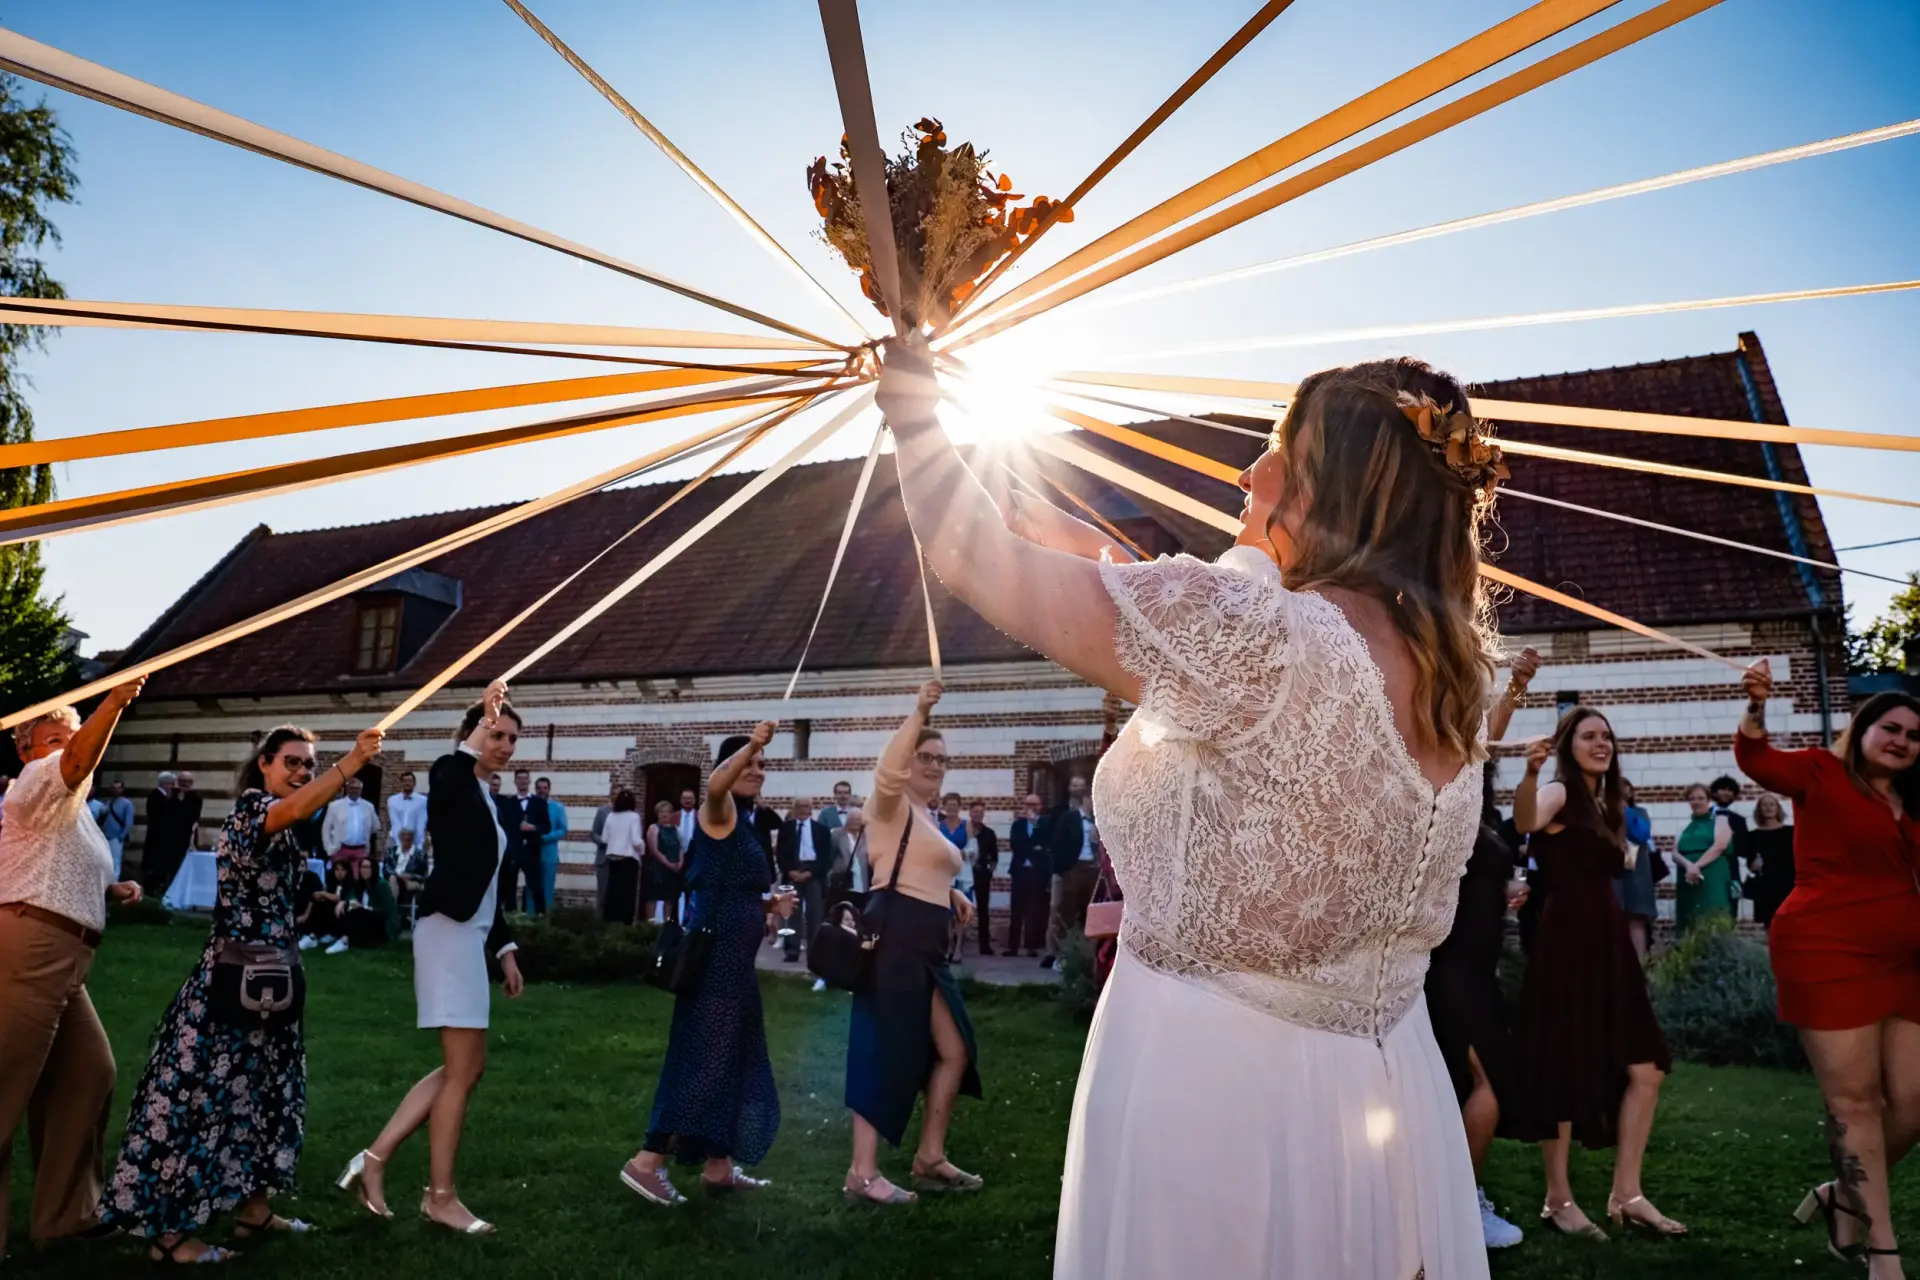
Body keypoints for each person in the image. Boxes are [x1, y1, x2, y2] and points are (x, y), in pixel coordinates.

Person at [882, 346, 1505, 1275]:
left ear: (1336, 487)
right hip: (1388, 1091)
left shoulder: (1264, 636)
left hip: (1217, 1091)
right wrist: (1102, 554)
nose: (1249, 475)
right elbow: (1223, 669)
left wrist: (915, 418)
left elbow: (970, 552)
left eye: (1280, 451)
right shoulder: (1458, 678)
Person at [103, 719, 385, 1262]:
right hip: (231, 986)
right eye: (292, 762)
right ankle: (171, 1236)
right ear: (264, 763)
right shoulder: (255, 811)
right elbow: (294, 810)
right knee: (203, 1100)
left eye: (308, 764)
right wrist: (351, 763)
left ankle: (253, 1213)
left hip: (274, 983)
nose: (302, 771)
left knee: (262, 1098)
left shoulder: (282, 821)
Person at [1737, 665, 1920, 1276]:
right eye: (1889, 727)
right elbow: (1757, 760)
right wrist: (1757, 704)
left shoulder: (1913, 806)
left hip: (1905, 963)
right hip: (1826, 952)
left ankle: (1842, 1192)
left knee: (1913, 1102)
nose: (1901, 739)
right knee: (1856, 1102)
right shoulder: (1820, 771)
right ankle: (1881, 1249)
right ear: (1863, 728)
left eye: (1914, 735)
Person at [345, 681, 525, 1235]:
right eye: (497, 734)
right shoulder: (452, 780)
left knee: (464, 1068)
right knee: (464, 1068)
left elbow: (487, 883)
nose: (505, 745)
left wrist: (506, 949)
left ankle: (373, 1161)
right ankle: (438, 1197)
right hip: (446, 935)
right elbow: (449, 774)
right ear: (473, 734)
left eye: (512, 738)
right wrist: (480, 722)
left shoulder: (488, 799)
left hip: (469, 935)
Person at [1509, 707, 1683, 1240]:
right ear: (1568, 745)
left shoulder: (1611, 803)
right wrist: (1532, 773)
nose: (1601, 743)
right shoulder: (1559, 790)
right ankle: (1557, 1199)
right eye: (1589, 735)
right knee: (1563, 1066)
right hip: (1567, 941)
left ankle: (1627, 1193)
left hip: (1608, 941)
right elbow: (1524, 821)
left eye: (1606, 736)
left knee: (1646, 1066)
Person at [0, 681, 148, 1258]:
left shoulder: (72, 811)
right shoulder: (39, 781)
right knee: (5, 1089)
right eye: (53, 739)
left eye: (68, 735)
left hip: (68, 960)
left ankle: (64, 1216)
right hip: (34, 952)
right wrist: (111, 706)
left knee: (89, 1074)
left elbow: (42, 866)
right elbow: (80, 759)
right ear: (26, 749)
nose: (66, 747)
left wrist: (110, 888)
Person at [622, 724, 796, 1204]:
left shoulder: (745, 821)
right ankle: (647, 1161)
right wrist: (753, 743)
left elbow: (728, 889)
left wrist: (768, 905)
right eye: (751, 763)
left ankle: (719, 1167)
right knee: (703, 1060)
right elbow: (716, 784)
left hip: (736, 962)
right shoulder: (717, 809)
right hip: (716, 962)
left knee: (734, 1059)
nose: (758, 770)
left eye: (762, 765)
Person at [844, 680, 983, 1204]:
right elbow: (889, 770)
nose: (933, 764)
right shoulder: (888, 804)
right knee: (885, 1051)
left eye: (941, 759)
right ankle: (861, 1174)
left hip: (927, 948)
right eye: (925, 755)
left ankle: (929, 1156)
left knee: (955, 1050)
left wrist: (950, 895)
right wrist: (920, 710)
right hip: (895, 942)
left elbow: (923, 868)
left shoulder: (925, 817)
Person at [1426, 646, 1535, 1251]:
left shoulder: (1474, 796)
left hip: (1476, 966)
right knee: (1486, 1081)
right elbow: (1482, 734)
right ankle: (1460, 1206)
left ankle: (1454, 1200)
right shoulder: (1437, 782)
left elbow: (1484, 739)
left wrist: (1509, 883)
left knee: (1472, 1084)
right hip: (1447, 968)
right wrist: (1514, 687)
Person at [1041, 775, 1096, 969]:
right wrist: (1063, 869)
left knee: (1089, 914)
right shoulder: (1069, 818)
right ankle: (1061, 955)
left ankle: (1086, 956)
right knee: (1067, 913)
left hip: (1093, 871)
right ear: (1086, 800)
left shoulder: (1097, 822)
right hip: (1073, 869)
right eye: (1093, 799)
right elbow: (1057, 844)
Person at [1673, 782, 1735, 935]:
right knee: (1690, 915)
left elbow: (1720, 845)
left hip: (1712, 874)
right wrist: (1688, 865)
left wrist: (1697, 866)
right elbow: (1675, 852)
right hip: (1687, 876)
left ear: (1709, 800)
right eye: (1692, 798)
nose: (1696, 802)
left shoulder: (1720, 820)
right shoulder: (1684, 825)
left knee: (1712, 914)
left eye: (1701, 798)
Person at [778, 797, 832, 964]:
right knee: (791, 914)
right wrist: (790, 871)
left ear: (811, 808)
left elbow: (825, 857)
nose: (803, 809)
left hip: (813, 873)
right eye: (799, 806)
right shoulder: (786, 828)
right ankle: (792, 951)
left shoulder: (821, 830)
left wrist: (810, 873)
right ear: (794, 808)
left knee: (815, 915)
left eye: (806, 806)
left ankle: (814, 953)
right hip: (792, 871)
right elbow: (780, 853)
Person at [1616, 779, 1658, 962]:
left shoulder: (1640, 813)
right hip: (1612, 875)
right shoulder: (1600, 814)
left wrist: (1624, 810)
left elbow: (1641, 834)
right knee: (1613, 921)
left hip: (1636, 875)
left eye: (1625, 792)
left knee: (1636, 920)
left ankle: (1640, 966)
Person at [496, 768, 547, 915]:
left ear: (529, 781)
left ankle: (540, 915)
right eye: (520, 778)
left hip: (532, 850)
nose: (523, 781)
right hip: (514, 850)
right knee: (510, 885)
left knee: (536, 885)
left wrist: (534, 827)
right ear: (515, 781)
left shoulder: (539, 802)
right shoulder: (508, 803)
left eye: (525, 778)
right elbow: (503, 825)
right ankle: (511, 916)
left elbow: (546, 826)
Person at [1004, 794, 1050, 958]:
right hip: (1020, 871)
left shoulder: (1045, 823)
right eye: (1028, 804)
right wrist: (1034, 847)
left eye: (1034, 804)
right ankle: (1013, 947)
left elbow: (1045, 839)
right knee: (1016, 910)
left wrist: (1034, 824)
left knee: (1034, 909)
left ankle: (1031, 946)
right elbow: (1015, 844)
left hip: (1037, 871)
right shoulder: (1017, 824)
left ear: (1040, 806)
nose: (1031, 806)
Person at [1745, 791, 1796, 929]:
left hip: (1788, 884)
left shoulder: (1791, 832)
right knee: (1770, 925)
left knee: (1791, 923)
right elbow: (1750, 863)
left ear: (1778, 808)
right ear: (1759, 810)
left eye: (1772, 804)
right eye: (1764, 805)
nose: (1768, 808)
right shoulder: (1753, 835)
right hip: (1765, 886)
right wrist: (1754, 865)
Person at [600, 792, 644, 925]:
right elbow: (636, 840)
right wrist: (642, 850)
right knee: (627, 894)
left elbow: (604, 838)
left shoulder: (611, 816)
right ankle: (626, 923)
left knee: (612, 892)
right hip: (628, 859)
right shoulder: (634, 816)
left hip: (612, 858)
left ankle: (609, 921)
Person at [936, 793, 970, 962]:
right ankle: (947, 946)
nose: (951, 808)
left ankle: (958, 949)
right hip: (944, 874)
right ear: (944, 806)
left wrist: (966, 853)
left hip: (962, 873)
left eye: (954, 805)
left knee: (959, 913)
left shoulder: (966, 825)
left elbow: (973, 847)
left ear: (959, 806)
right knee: (945, 913)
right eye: (948, 805)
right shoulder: (938, 826)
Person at [641, 798, 685, 926]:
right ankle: (649, 925)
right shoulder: (654, 828)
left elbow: (681, 847)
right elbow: (654, 850)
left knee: (669, 899)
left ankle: (666, 926)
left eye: (667, 812)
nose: (665, 814)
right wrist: (668, 863)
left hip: (673, 870)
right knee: (653, 897)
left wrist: (680, 862)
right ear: (657, 813)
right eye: (662, 812)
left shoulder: (676, 829)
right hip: (657, 868)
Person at [141, 771, 184, 894]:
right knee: (155, 867)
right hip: (157, 839)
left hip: (161, 839)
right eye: (172, 784)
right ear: (166, 784)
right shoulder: (156, 796)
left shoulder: (163, 797)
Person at [322, 775, 379, 866]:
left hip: (361, 850)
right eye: (352, 788)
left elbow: (375, 826)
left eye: (357, 788)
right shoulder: (335, 806)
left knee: (359, 878)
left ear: (361, 790)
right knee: (341, 878)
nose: (354, 791)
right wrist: (329, 849)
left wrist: (364, 834)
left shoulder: (368, 806)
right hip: (340, 849)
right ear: (347, 789)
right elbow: (326, 829)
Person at [967, 801, 999, 958]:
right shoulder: (964, 830)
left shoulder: (989, 833)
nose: (978, 814)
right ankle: (955, 943)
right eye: (975, 811)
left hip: (981, 875)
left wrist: (989, 873)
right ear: (970, 813)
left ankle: (984, 945)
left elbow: (994, 858)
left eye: (981, 811)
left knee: (983, 910)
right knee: (959, 908)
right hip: (965, 874)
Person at [1709, 772, 1752, 883]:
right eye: (1723, 789)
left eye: (1730, 790)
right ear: (1714, 792)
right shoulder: (1703, 816)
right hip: (1706, 869)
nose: (1726, 793)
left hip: (1730, 872)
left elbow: (1744, 850)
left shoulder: (1739, 820)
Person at [386, 771, 428, 873]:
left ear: (414, 783)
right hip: (396, 839)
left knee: (414, 870)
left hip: (415, 839)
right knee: (393, 869)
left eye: (410, 780)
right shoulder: (392, 800)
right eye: (404, 781)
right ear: (401, 783)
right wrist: (399, 844)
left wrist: (418, 846)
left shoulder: (423, 801)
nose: (407, 783)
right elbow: (395, 822)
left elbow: (421, 822)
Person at [536, 776, 567, 915]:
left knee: (547, 888)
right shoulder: (530, 805)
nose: (542, 791)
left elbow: (563, 830)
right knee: (532, 888)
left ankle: (546, 919)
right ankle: (531, 919)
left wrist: (544, 838)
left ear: (549, 789)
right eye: (539, 788)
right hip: (532, 853)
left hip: (549, 853)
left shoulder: (557, 807)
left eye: (545, 788)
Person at [92, 779, 134, 880]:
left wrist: (121, 837)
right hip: (106, 836)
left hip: (116, 837)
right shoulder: (108, 802)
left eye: (118, 788)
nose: (115, 790)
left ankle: (114, 882)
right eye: (114, 788)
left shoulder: (127, 804)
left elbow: (129, 822)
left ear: (122, 790)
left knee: (115, 861)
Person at [828, 806, 869, 907]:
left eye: (858, 820)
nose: (855, 822)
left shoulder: (866, 836)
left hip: (862, 879)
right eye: (852, 819)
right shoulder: (836, 834)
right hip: (843, 880)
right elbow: (830, 856)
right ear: (847, 820)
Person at [590, 786, 617, 912]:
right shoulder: (602, 811)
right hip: (604, 859)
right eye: (614, 794)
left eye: (619, 794)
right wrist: (603, 841)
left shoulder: (630, 814)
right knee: (603, 894)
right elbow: (594, 833)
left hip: (621, 860)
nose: (616, 796)